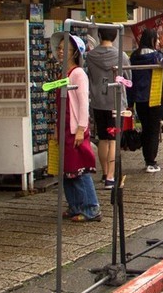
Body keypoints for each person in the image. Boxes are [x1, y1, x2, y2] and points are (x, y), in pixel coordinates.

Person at [54, 33, 102, 221]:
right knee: (67, 170)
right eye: (58, 48)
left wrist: (82, 128)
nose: (60, 52)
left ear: (74, 53)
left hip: (75, 128)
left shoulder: (78, 74)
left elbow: (83, 103)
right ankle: (75, 205)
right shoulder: (63, 74)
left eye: (64, 48)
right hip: (64, 127)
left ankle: (91, 207)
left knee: (80, 169)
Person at [85, 26, 130, 187]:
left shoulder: (90, 56)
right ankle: (111, 177)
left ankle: (105, 173)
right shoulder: (121, 56)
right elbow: (128, 77)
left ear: (98, 35)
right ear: (115, 36)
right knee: (113, 140)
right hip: (115, 103)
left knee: (103, 139)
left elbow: (89, 76)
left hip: (98, 101)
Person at [129, 28, 163, 173]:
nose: (158, 42)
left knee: (146, 128)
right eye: (157, 39)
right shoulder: (157, 57)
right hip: (154, 97)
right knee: (153, 129)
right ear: (152, 40)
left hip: (139, 98)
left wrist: (130, 102)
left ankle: (147, 159)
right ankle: (151, 161)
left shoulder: (134, 56)